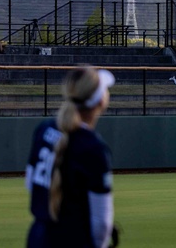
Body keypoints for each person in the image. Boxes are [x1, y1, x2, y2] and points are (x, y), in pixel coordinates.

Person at [25, 65, 116, 248]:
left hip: (38, 237)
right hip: (74, 240)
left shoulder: (45, 129)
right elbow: (101, 224)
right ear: (100, 101)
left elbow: (30, 183)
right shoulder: (93, 148)